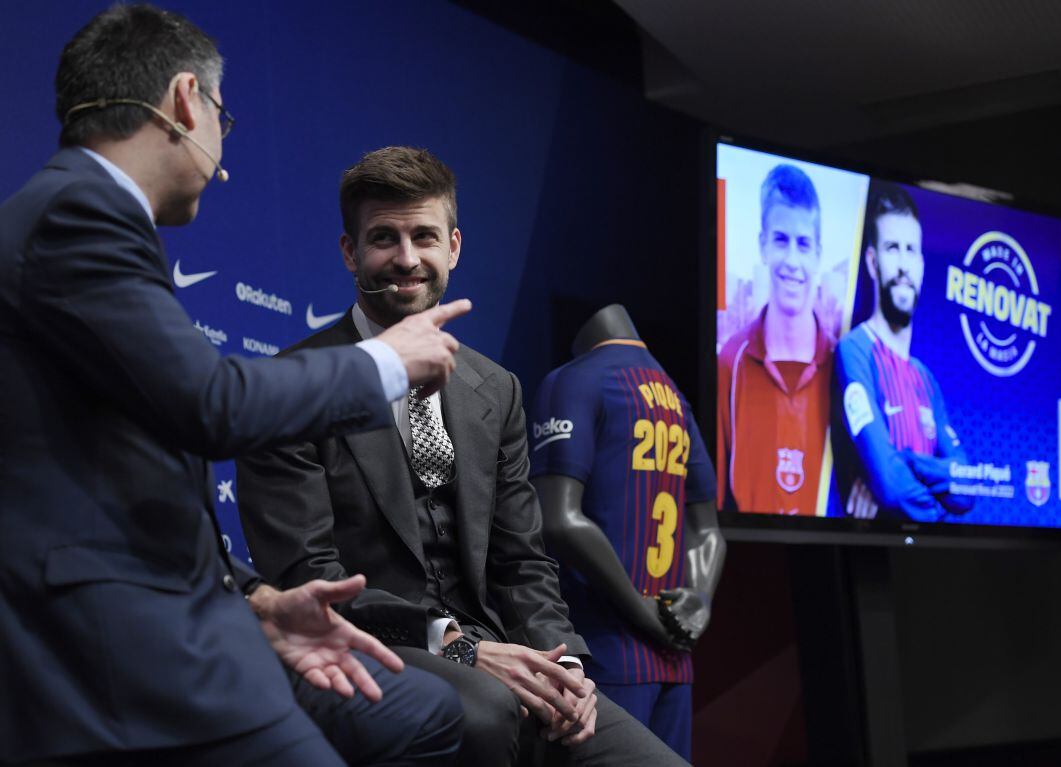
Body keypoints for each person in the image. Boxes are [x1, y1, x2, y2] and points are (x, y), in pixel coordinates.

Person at [0, 6, 468, 765]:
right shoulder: (78, 214)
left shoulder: (83, 217)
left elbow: (117, 463)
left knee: (421, 713)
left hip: (195, 613)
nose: (223, 154)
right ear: (188, 100)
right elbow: (211, 405)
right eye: (223, 117)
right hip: (121, 645)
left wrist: (258, 604)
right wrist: (387, 360)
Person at [237, 146, 691, 766]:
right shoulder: (295, 385)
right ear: (350, 253)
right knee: (483, 713)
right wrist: (454, 647)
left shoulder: (495, 387)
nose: (406, 258)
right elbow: (307, 577)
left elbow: (522, 560)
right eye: (383, 238)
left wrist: (567, 666)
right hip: (378, 649)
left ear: (453, 246)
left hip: (504, 653)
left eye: (424, 236)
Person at [529, 304, 725, 760]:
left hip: (604, 652)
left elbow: (557, 518)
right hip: (674, 654)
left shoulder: (575, 379)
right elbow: (709, 528)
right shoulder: (673, 395)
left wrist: (642, 612)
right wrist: (699, 604)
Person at [831, 181, 973, 521]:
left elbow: (967, 489)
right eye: (893, 248)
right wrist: (938, 503)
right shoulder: (855, 351)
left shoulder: (925, 378)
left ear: (922, 265)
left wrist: (904, 461)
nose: (904, 265)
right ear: (872, 261)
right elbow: (891, 488)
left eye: (911, 250)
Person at [717, 163, 832, 516]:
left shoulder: (844, 367)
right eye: (781, 240)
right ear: (763, 245)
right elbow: (713, 505)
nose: (792, 261)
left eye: (804, 244)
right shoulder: (729, 362)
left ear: (818, 253)